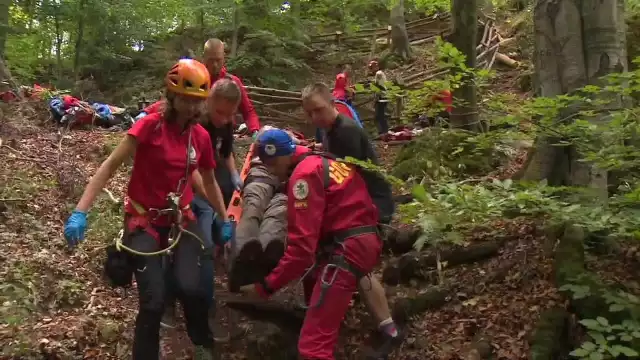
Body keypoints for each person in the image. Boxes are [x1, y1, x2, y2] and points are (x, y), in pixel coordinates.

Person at [63, 59, 233, 360]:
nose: (192, 108)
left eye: (198, 102)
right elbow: (110, 165)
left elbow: (208, 179)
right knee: (153, 302)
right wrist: (81, 211)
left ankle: (201, 341)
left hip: (181, 217)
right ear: (171, 96)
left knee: (190, 287)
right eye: (186, 99)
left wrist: (222, 218)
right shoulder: (149, 126)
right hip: (144, 219)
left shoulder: (200, 137)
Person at [239, 129, 382, 360]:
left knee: (312, 349)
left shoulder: (303, 177)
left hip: (347, 251)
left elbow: (301, 251)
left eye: (273, 165)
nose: (273, 172)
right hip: (362, 238)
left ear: (284, 156)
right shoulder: (322, 160)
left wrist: (265, 287)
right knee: (314, 282)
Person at [301, 82, 403, 358]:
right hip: (360, 203)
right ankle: (388, 327)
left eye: (318, 111)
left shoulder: (346, 131)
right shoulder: (330, 130)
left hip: (371, 203)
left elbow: (343, 176)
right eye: (309, 114)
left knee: (352, 262)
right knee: (359, 269)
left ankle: (378, 327)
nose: (315, 118)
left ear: (332, 104)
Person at [162, 78, 243, 329]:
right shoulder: (195, 125)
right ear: (208, 102)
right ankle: (171, 304)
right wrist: (212, 204)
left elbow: (225, 152)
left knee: (207, 247)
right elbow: (193, 169)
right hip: (186, 189)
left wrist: (234, 173)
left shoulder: (225, 122)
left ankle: (202, 304)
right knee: (180, 244)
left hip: (212, 187)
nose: (224, 119)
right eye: (219, 112)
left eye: (229, 115)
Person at [203, 38, 260, 138]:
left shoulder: (233, 82)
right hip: (199, 135)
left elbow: (248, 111)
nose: (215, 65)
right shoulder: (195, 79)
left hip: (225, 137)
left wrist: (255, 131)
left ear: (224, 57)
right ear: (204, 57)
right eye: (211, 60)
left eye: (218, 60)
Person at [368, 60, 390, 137]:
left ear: (376, 67)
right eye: (371, 68)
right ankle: (383, 131)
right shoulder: (379, 73)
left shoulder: (378, 73)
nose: (371, 70)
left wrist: (376, 97)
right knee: (380, 115)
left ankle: (384, 131)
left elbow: (378, 86)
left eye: (372, 68)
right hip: (383, 95)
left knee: (380, 115)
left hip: (382, 96)